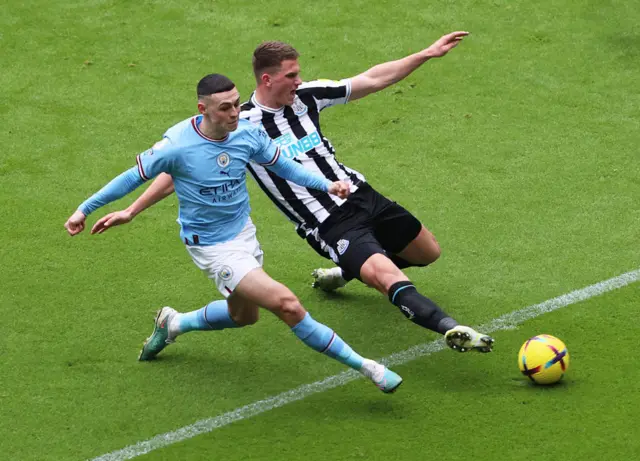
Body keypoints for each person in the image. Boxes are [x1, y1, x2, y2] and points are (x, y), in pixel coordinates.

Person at [91, 32, 494, 353]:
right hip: (328, 221)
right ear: (267, 79)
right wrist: (132, 209)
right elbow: (178, 172)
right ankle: (449, 327)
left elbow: (371, 79)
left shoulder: (307, 98)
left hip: (360, 194)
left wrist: (426, 53)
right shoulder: (240, 125)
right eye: (291, 75)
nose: (298, 81)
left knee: (427, 253)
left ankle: (345, 270)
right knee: (386, 277)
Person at [64, 73, 403, 394]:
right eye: (224, 107)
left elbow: (283, 166)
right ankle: (368, 367)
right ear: (203, 109)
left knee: (244, 316)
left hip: (243, 233)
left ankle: (175, 324)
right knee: (287, 304)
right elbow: (131, 177)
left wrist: (327, 184)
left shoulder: (247, 133)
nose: (234, 113)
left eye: (237, 104)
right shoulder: (176, 146)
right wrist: (85, 209)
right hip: (212, 247)